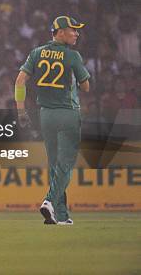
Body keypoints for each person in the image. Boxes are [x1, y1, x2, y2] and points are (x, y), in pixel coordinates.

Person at [14, 16, 90, 225]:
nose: (77, 33)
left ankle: (61, 215)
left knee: (54, 166)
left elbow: (20, 81)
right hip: (67, 113)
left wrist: (21, 111)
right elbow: (86, 86)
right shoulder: (73, 55)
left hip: (45, 115)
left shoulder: (36, 53)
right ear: (61, 32)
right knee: (65, 165)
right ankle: (49, 201)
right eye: (73, 30)